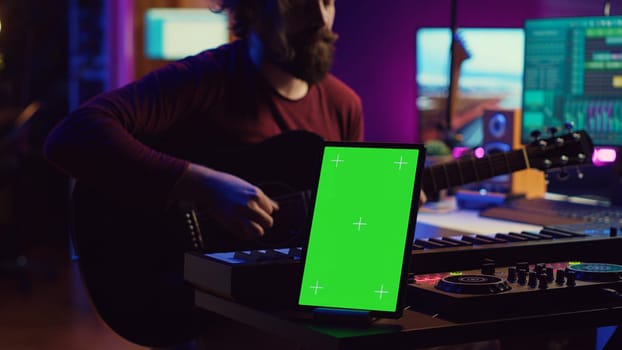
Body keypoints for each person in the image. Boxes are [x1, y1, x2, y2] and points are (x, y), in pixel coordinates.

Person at [44, 0, 362, 349]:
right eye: (301, 3)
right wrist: (201, 185)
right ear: (252, 9)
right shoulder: (204, 79)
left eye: (328, 1)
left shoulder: (344, 105)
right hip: (202, 314)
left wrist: (382, 213)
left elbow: (341, 242)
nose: (321, 18)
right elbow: (72, 135)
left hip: (296, 321)